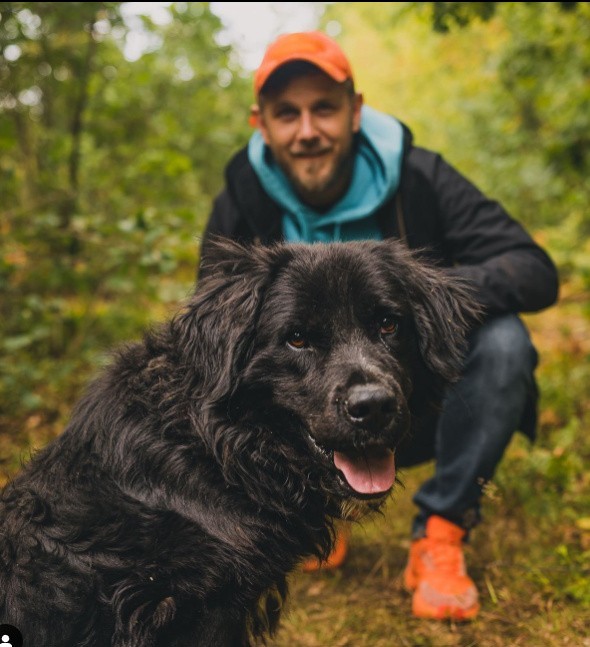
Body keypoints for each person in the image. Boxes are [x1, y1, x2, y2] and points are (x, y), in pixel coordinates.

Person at [198, 31, 559, 621]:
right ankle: (315, 503)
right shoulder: (244, 195)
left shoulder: (418, 175)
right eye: (287, 114)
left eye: (324, 108)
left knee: (504, 341)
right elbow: (216, 333)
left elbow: (532, 270)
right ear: (260, 123)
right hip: (310, 408)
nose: (307, 129)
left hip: (411, 399)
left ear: (355, 111)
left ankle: (441, 532)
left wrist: (420, 301)